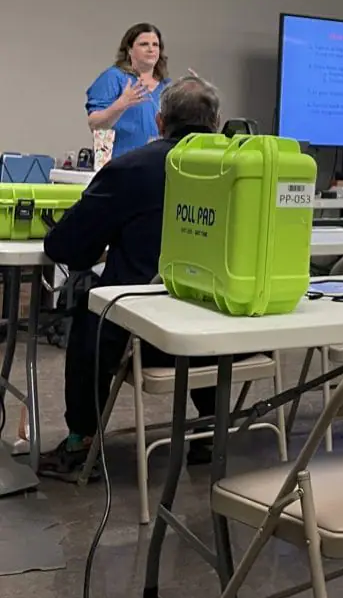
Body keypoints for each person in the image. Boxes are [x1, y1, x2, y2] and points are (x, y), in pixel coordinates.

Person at [40, 75, 223, 481]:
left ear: (160, 122)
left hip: (148, 337)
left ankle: (81, 440)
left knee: (93, 309)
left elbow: (67, 249)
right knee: (200, 300)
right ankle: (213, 428)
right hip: (232, 338)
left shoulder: (131, 168)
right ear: (215, 123)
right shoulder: (245, 172)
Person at [86, 23, 171, 160]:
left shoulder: (167, 86)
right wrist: (121, 104)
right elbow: (95, 124)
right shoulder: (113, 77)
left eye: (155, 45)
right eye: (144, 44)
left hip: (157, 164)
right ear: (129, 50)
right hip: (121, 164)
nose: (151, 49)